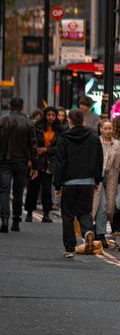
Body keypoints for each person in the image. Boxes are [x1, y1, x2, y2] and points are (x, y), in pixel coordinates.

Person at [52, 109, 104, 258]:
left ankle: (69, 248)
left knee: (68, 215)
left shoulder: (64, 139)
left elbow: (60, 163)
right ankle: (88, 230)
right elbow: (99, 160)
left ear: (69, 121)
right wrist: (97, 180)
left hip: (69, 182)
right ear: (83, 120)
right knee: (84, 212)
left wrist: (57, 185)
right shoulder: (94, 138)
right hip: (87, 182)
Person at [0, 97, 37, 233]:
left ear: (10, 106)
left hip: (4, 161)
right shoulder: (29, 123)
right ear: (22, 107)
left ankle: (4, 219)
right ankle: (16, 220)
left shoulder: (2, 121)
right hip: (21, 162)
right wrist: (35, 166)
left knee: (4, 191)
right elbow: (33, 146)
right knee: (17, 192)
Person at [97, 119, 120, 246]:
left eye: (110, 128)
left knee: (109, 207)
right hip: (98, 179)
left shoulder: (117, 144)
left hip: (111, 179)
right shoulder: (97, 142)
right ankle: (100, 235)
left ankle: (98, 231)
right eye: (106, 128)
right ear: (101, 129)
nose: (108, 131)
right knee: (101, 205)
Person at [28, 106, 66, 222]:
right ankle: (29, 212)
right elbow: (32, 143)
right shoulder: (37, 126)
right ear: (45, 115)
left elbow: (59, 146)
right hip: (37, 161)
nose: (51, 117)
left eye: (53, 115)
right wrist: (31, 158)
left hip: (50, 163)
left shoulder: (60, 129)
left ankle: (46, 213)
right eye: (49, 115)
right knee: (33, 187)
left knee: (46, 189)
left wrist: (46, 150)